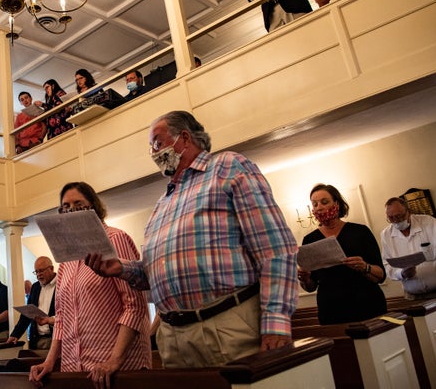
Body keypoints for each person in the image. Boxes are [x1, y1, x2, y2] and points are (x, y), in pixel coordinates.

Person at [85, 111, 297, 368]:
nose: (153, 153)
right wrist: (122, 269)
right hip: (173, 338)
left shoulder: (227, 167)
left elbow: (274, 248)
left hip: (227, 325)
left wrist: (276, 321)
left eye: (157, 143)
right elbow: (156, 273)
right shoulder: (163, 203)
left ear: (184, 138)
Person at [30, 182, 151, 389]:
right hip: (75, 366)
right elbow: (62, 317)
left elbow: (134, 306)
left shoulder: (115, 239)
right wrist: (50, 361)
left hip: (114, 366)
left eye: (79, 204)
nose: (72, 211)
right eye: (66, 207)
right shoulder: (65, 257)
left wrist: (114, 360)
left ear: (94, 206)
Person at [297, 184, 387, 325]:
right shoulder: (310, 239)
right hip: (332, 310)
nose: (319, 207)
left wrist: (364, 267)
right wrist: (304, 278)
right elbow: (310, 287)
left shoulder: (360, 231)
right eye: (314, 204)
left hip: (367, 304)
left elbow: (381, 275)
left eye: (324, 202)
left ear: (336, 203)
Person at [7, 256, 57, 350]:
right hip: (36, 339)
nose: (38, 275)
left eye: (41, 271)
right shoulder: (35, 287)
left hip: (57, 339)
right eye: (36, 272)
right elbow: (28, 314)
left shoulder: (63, 284)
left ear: (51, 268)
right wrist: (16, 334)